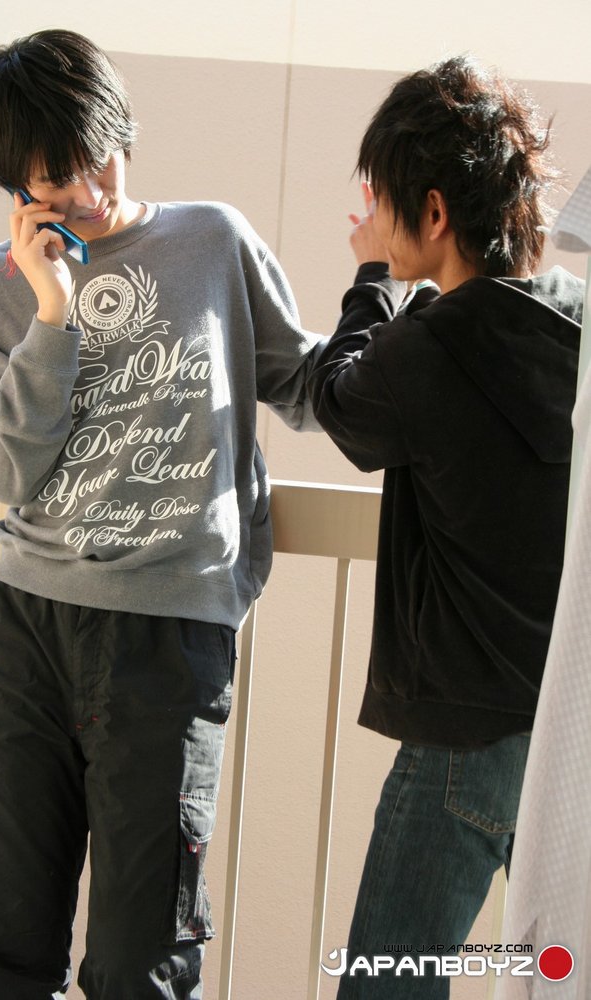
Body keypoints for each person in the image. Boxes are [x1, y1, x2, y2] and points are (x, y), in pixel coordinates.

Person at [0, 29, 323, 1000]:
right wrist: (52, 314)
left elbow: (309, 384)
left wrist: (410, 297)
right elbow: (1, 472)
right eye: (54, 177)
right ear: (15, 185)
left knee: (138, 960)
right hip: (27, 634)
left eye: (98, 155)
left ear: (122, 133)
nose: (88, 190)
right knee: (0, 942)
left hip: (168, 637)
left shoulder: (213, 243)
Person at [308, 56, 584, 998]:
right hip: (564, 732)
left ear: (431, 212)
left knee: (386, 981)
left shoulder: (422, 349)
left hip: (465, 739)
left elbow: (338, 403)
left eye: (385, 202)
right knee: (556, 971)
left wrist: (371, 278)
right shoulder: (576, 326)